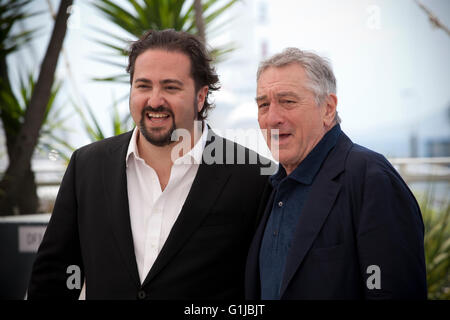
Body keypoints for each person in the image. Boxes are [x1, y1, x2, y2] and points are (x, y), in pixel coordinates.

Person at [28, 29, 270, 300]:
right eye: (143, 86)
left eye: (170, 87)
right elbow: (52, 276)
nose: (154, 100)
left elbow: (263, 286)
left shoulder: (254, 176)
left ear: (201, 97)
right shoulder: (87, 166)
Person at [245, 48, 428, 300]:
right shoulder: (270, 188)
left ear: (328, 109)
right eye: (263, 105)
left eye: (287, 101)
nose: (272, 118)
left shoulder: (371, 179)